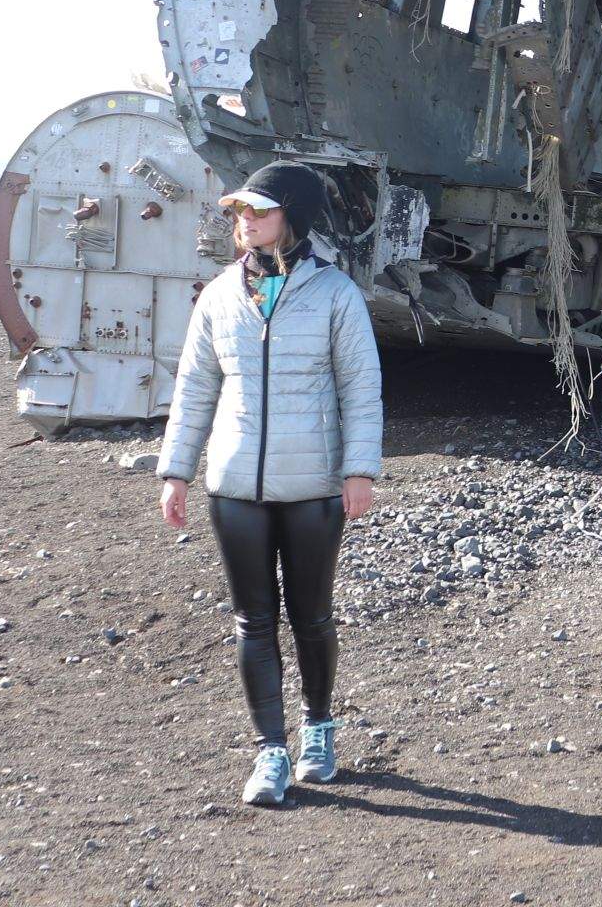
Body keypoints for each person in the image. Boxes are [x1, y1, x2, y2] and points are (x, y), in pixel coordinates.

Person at [155, 159, 383, 806]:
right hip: (234, 488)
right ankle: (271, 751)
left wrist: (359, 470)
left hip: (313, 488)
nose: (244, 221)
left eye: (258, 210)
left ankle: (318, 728)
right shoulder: (221, 295)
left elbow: (360, 388)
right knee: (253, 621)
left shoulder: (336, 294)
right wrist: (176, 471)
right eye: (240, 212)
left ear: (293, 217)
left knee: (311, 618)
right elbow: (195, 388)